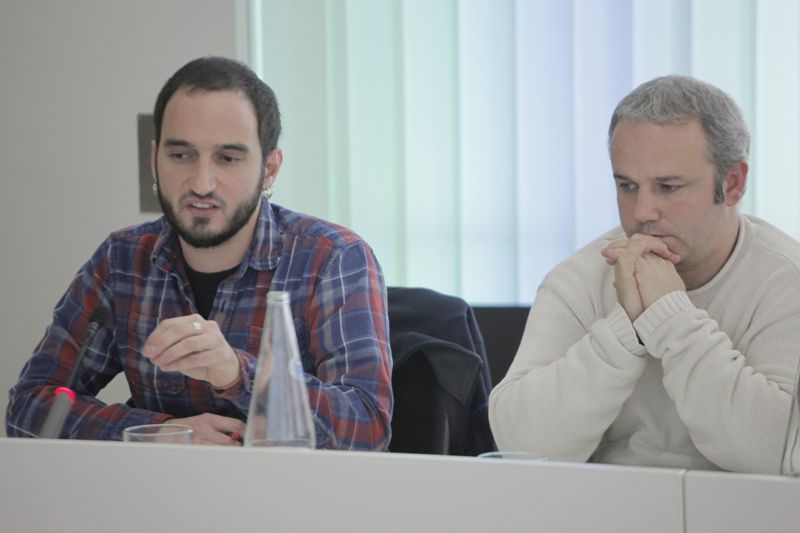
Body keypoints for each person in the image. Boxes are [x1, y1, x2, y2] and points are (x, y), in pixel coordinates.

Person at [6, 57, 393, 449]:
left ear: (270, 169)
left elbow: (366, 429)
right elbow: (31, 409)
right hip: (159, 502)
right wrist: (160, 431)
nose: (202, 183)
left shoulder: (333, 259)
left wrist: (236, 374)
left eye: (228, 158)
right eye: (181, 155)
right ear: (154, 159)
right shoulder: (121, 260)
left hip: (291, 502)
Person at [489, 75, 800, 474]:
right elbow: (520, 446)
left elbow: (778, 454)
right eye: (627, 186)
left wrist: (670, 317)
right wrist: (627, 332)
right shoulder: (578, 278)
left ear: (733, 183)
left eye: (668, 187)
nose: (641, 213)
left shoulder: (786, 281)